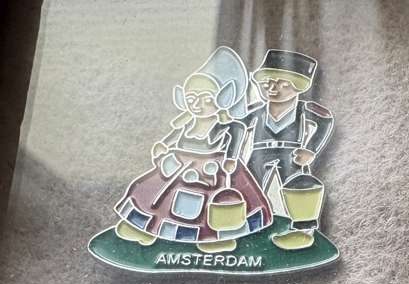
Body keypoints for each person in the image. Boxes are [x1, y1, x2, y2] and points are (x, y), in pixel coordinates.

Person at [114, 47, 272, 253]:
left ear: (223, 99)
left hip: (214, 171)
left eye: (206, 99)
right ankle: (144, 228)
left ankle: (217, 238)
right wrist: (162, 147)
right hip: (178, 167)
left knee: (214, 206)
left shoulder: (230, 126)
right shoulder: (185, 125)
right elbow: (169, 141)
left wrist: (232, 159)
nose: (198, 105)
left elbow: (237, 139)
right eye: (191, 99)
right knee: (151, 194)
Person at [244, 50, 334, 250]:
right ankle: (248, 225)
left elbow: (326, 121)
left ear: (298, 86)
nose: (273, 89)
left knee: (301, 186)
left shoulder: (306, 109)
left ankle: (303, 231)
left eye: (283, 85)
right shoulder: (255, 111)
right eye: (266, 84)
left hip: (291, 154)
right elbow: (235, 123)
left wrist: (311, 149)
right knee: (248, 186)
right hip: (259, 152)